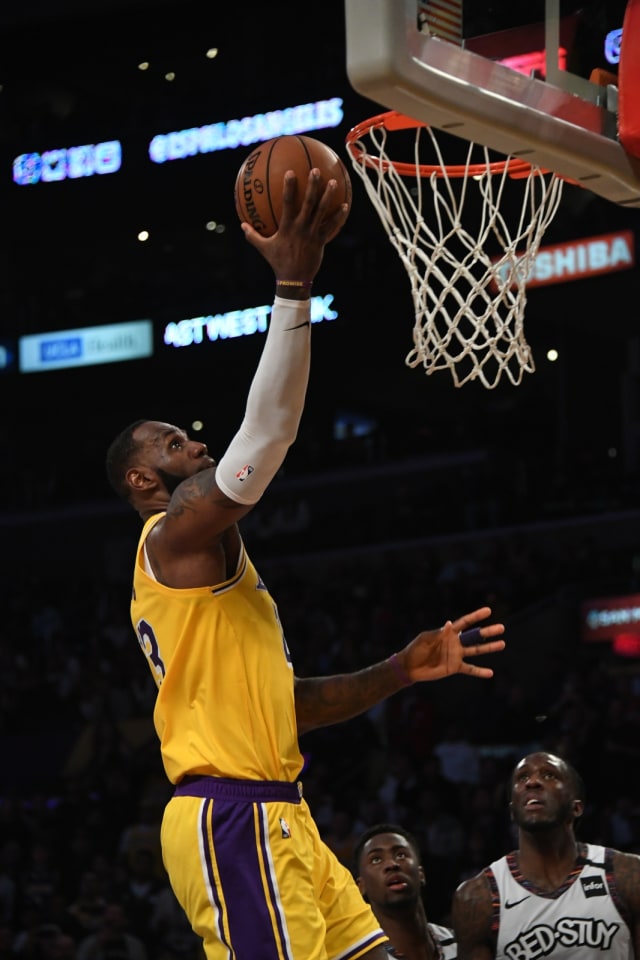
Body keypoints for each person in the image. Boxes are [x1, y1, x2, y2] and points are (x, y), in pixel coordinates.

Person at [105, 165, 506, 960]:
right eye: (171, 441)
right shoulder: (172, 537)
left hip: (282, 812)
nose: (193, 439)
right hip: (233, 819)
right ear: (144, 482)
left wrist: (399, 669)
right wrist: (292, 285)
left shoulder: (210, 570)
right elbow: (265, 441)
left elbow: (288, 709)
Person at [451, 751, 640, 960]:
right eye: (522, 777)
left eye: (549, 775)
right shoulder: (479, 897)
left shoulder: (627, 874)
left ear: (575, 807)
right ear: (513, 811)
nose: (532, 782)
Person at [353, 823, 457, 959]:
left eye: (401, 855)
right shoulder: (361, 956)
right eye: (376, 859)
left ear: (421, 874)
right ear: (361, 886)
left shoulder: (461, 944)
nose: (391, 864)